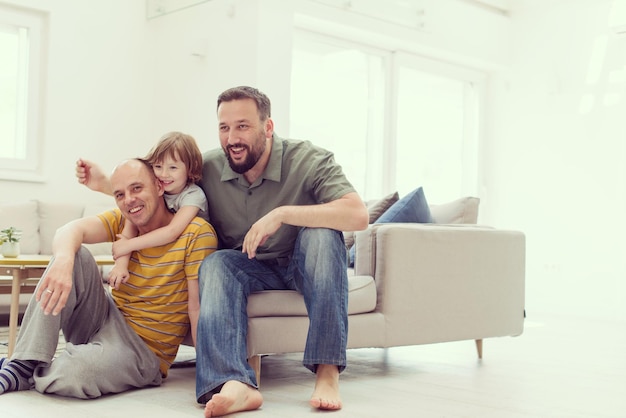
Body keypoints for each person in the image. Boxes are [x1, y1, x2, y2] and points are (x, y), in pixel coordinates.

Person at [75, 86, 369, 417]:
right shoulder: (210, 166)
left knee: (323, 235)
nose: (232, 138)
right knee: (214, 263)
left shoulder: (309, 159)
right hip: (250, 265)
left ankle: (327, 371)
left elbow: (357, 214)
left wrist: (282, 214)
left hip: (303, 262)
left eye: (242, 126)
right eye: (224, 128)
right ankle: (234, 383)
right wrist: (103, 184)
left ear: (267, 127)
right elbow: (159, 189)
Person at [0, 159, 217, 398]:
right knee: (74, 254)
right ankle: (22, 365)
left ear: (158, 187)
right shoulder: (126, 220)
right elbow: (68, 231)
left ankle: (38, 369)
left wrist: (209, 370)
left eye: (137, 188)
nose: (129, 200)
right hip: (103, 317)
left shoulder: (197, 234)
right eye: (120, 195)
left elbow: (197, 307)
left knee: (74, 373)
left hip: (142, 351)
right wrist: (63, 262)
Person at [78, 131, 208, 290]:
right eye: (158, 166)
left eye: (173, 167)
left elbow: (173, 231)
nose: (164, 174)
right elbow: (129, 227)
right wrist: (121, 265)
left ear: (190, 168)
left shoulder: (193, 196)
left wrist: (130, 245)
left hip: (193, 250)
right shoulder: (164, 188)